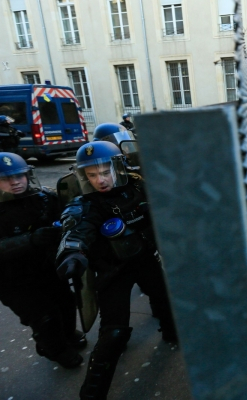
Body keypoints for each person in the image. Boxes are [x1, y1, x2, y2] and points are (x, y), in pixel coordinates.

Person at [55, 141, 177, 399]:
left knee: (166, 301)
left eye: (105, 172)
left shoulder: (138, 186)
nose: (100, 180)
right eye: (92, 175)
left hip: (146, 260)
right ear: (83, 176)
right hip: (113, 271)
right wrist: (72, 253)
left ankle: (172, 333)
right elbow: (77, 229)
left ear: (118, 168)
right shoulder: (86, 203)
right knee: (113, 334)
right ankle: (92, 394)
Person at [0, 152, 86, 369]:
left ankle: (65, 335)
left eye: (19, 176)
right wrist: (30, 240)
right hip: (13, 281)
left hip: (47, 269)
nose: (15, 182)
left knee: (67, 304)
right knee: (44, 317)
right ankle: (54, 349)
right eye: (5, 178)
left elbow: (68, 215)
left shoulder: (44, 198)